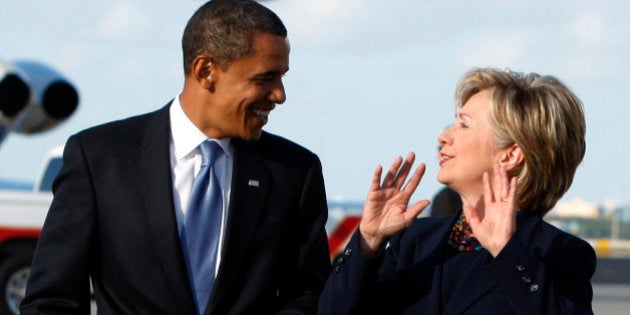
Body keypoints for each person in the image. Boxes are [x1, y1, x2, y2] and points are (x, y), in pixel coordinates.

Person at [21, 1, 331, 314]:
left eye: (282, 78)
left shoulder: (293, 171)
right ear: (205, 71)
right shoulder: (101, 159)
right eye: (265, 79)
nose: (280, 95)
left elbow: (307, 297)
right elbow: (50, 301)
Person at [318, 68, 596, 314]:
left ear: (510, 156)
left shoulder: (557, 253)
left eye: (464, 124)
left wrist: (508, 253)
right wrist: (368, 241)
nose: (443, 137)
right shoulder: (415, 240)